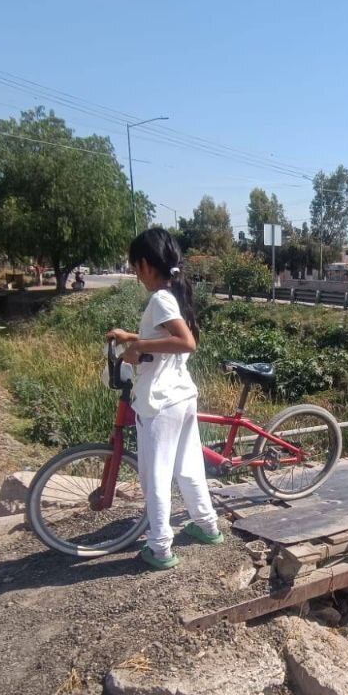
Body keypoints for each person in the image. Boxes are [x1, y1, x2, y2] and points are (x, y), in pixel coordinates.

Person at [106, 228, 223, 570]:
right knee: (188, 467)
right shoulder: (175, 294)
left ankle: (159, 548)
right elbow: (166, 337)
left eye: (133, 266)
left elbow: (186, 343)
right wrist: (133, 336)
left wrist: (137, 347)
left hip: (159, 402)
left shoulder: (159, 298)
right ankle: (208, 525)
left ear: (144, 264)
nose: (134, 273)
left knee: (155, 475)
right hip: (182, 395)